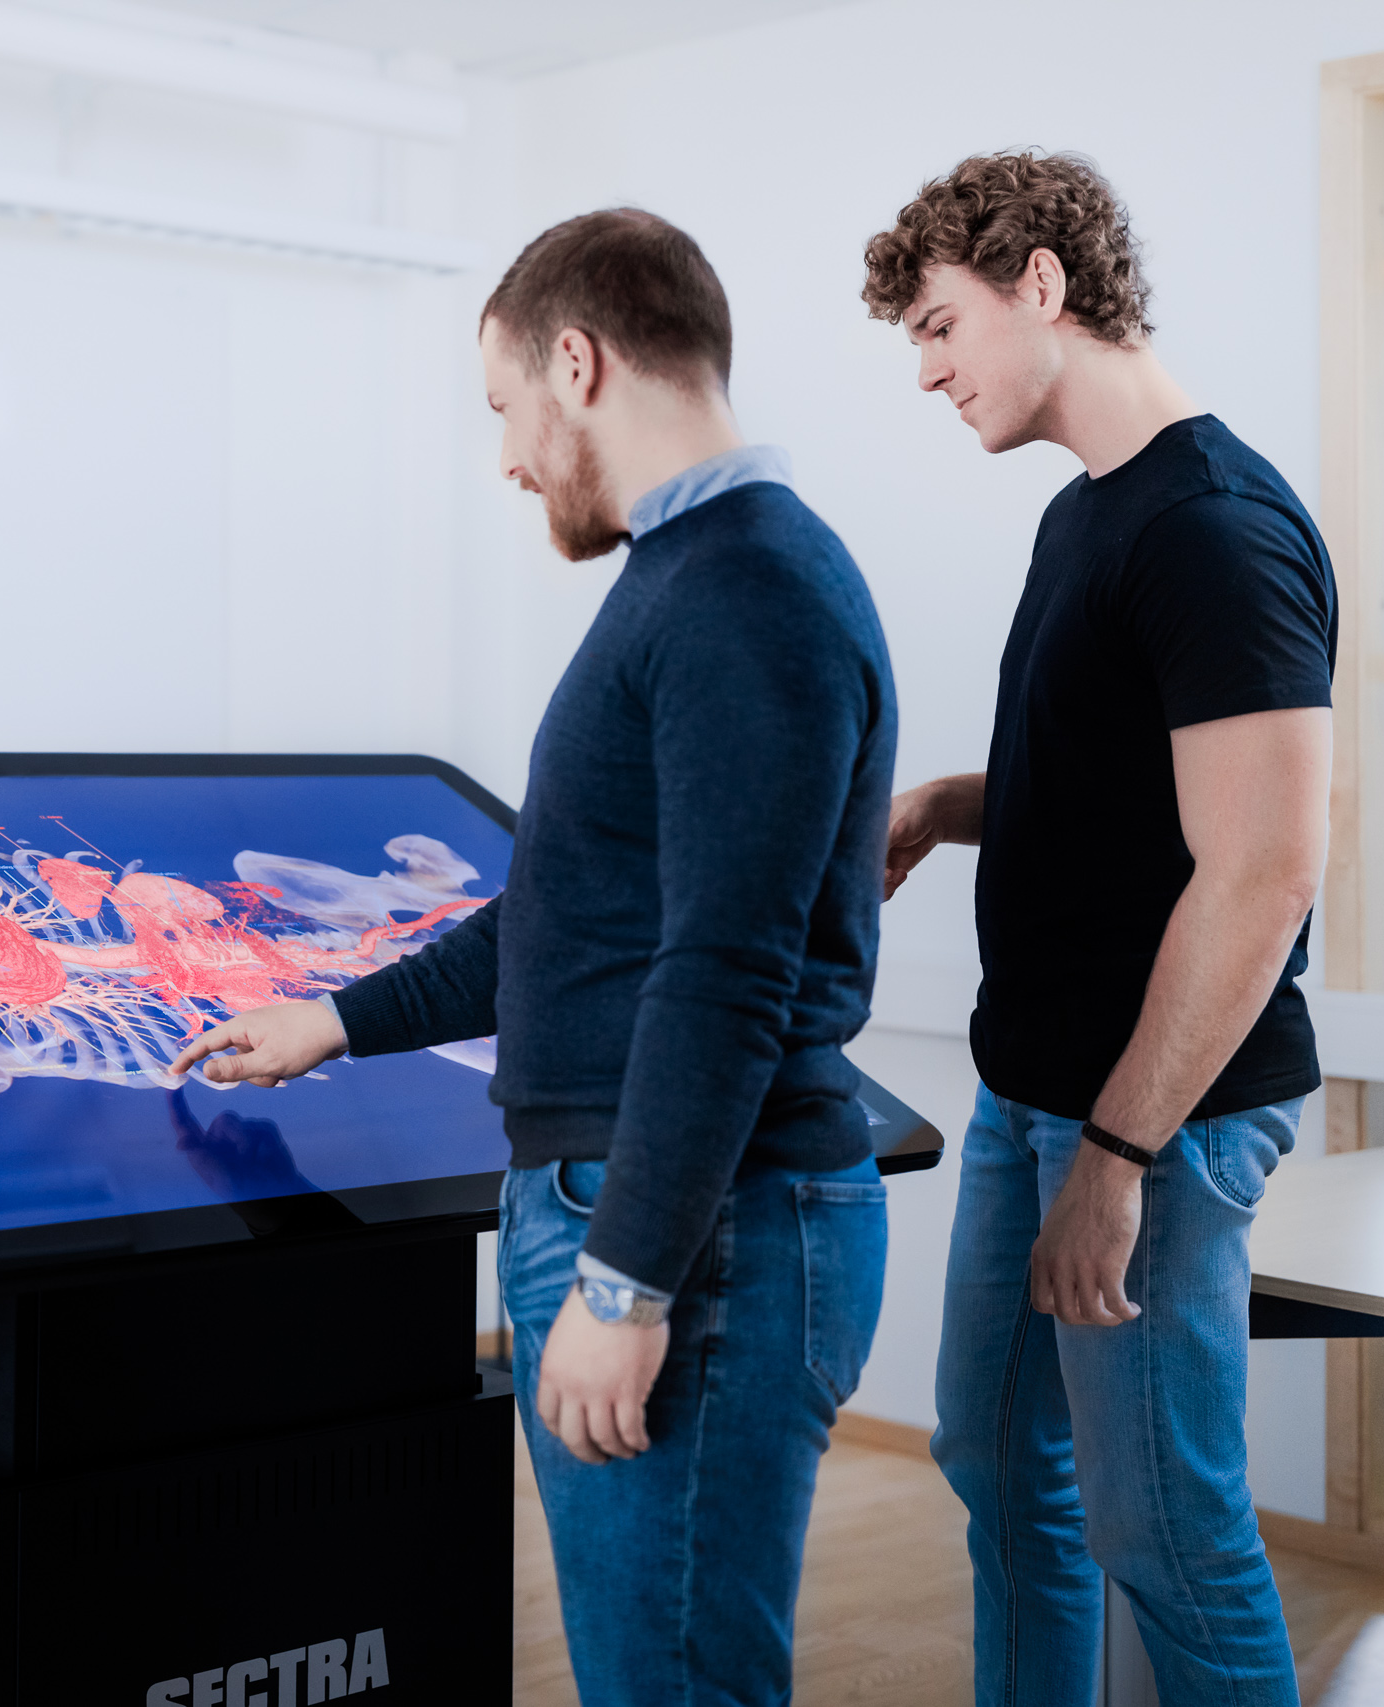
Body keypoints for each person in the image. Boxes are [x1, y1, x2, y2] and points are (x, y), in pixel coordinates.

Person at [170, 210, 897, 1705]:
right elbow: (567, 911)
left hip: (700, 1239)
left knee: (672, 1681)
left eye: (504, 408)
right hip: (669, 1213)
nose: (505, 457)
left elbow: (723, 974)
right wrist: (333, 1018)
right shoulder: (692, 578)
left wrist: (626, 1286)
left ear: (577, 362)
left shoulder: (743, 595)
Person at [863, 152, 1334, 1706]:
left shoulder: (1212, 528)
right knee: (999, 1464)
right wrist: (946, 800)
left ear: (1043, 283)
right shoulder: (1093, 515)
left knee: (1171, 1535)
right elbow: (1128, 783)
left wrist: (1117, 1162)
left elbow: (1261, 870)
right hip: (1034, 1092)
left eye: (939, 327)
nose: (927, 372)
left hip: (1157, 1124)